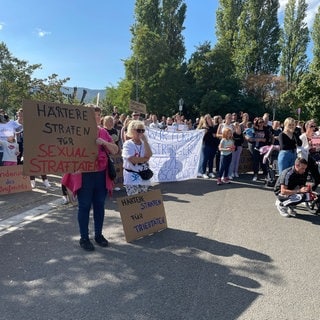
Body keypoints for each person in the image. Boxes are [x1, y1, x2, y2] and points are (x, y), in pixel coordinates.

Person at [63, 105, 118, 251]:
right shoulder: (76, 132)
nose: (97, 118)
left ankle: (98, 235)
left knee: (99, 205)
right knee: (85, 206)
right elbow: (67, 153)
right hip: (84, 176)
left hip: (100, 175)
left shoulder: (103, 132)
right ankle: (84, 238)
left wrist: (104, 142)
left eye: (99, 115)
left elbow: (115, 150)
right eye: (94, 115)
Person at [122, 120, 153, 196]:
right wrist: (144, 159)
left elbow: (149, 155)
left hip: (143, 175)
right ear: (132, 131)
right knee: (134, 200)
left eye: (143, 130)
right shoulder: (128, 144)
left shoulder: (144, 144)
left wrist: (145, 142)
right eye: (138, 130)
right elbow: (132, 159)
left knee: (143, 199)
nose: (141, 133)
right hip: (131, 176)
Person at [297, 119, 320, 191]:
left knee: (318, 179)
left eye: (314, 126)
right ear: (307, 127)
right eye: (311, 126)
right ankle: (303, 195)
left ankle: (311, 191)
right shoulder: (302, 137)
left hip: (311, 158)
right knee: (303, 179)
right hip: (303, 159)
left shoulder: (315, 136)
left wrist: (317, 147)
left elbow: (317, 148)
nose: (313, 128)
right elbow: (299, 150)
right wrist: (309, 146)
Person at [246, 117, 270, 181]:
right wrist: (258, 139)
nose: (261, 123)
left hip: (264, 148)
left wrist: (261, 140)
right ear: (257, 123)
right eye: (260, 122)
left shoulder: (266, 130)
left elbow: (266, 139)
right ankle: (255, 174)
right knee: (255, 161)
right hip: (256, 147)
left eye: (262, 122)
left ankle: (266, 174)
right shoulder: (254, 129)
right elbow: (248, 135)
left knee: (264, 161)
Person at [198, 114, 218, 179]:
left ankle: (210, 172)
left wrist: (215, 135)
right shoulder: (204, 127)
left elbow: (215, 135)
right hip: (206, 145)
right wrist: (205, 132)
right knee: (205, 159)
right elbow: (201, 136)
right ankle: (203, 172)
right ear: (205, 120)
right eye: (208, 118)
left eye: (210, 118)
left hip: (213, 145)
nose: (209, 119)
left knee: (211, 159)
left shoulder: (213, 127)